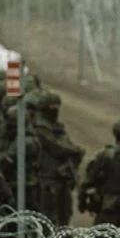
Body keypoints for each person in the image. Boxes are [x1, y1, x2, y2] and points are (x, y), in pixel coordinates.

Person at [35, 91, 84, 225]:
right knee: (49, 219)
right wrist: (75, 151)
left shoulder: (58, 128)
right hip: (47, 181)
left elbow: (67, 147)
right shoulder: (40, 127)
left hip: (62, 181)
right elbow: (55, 148)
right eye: (52, 108)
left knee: (64, 217)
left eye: (56, 108)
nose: (55, 111)